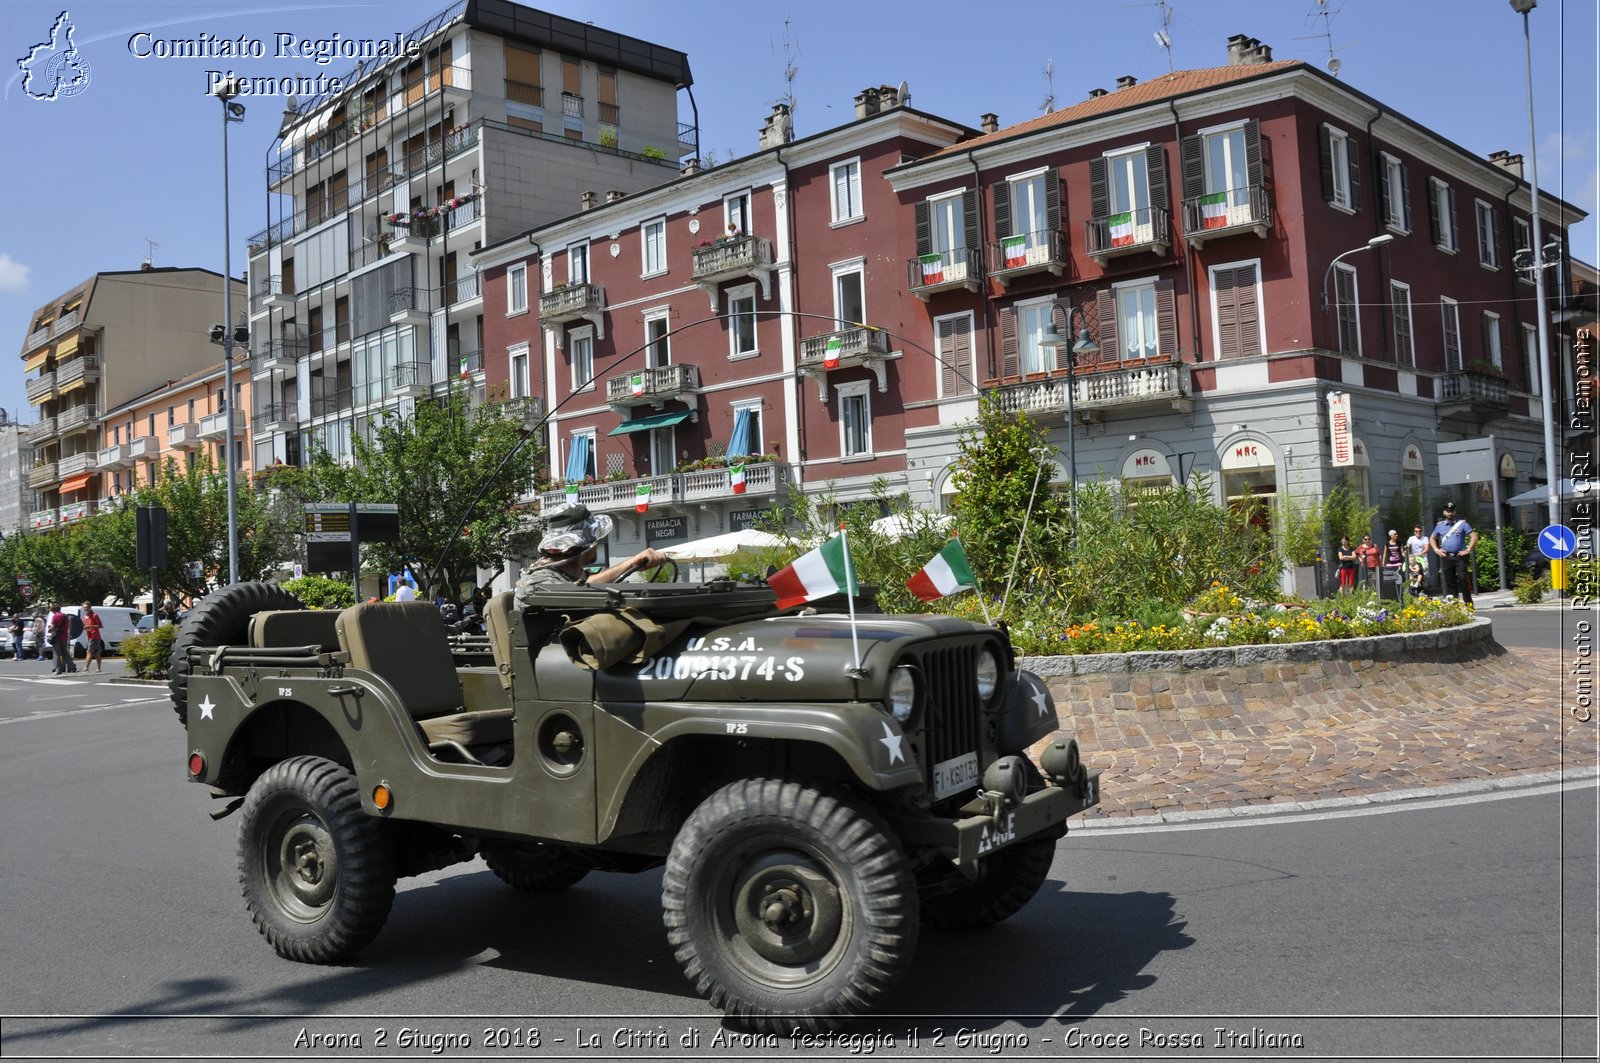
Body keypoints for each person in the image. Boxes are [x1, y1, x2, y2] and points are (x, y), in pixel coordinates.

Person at [513, 504, 668, 609]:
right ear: (588, 546)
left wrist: (633, 565)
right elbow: (570, 594)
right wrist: (631, 562)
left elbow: (582, 587)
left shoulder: (566, 577)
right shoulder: (537, 580)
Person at [1430, 501, 1478, 605]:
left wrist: (1468, 550)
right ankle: (1454, 604)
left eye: (1451, 511)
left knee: (1463, 579)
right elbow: (1432, 538)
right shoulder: (1440, 526)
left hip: (1459, 556)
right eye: (1448, 511)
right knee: (1450, 581)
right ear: (1444, 513)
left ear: (1454, 512)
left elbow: (1474, 537)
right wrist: (1436, 550)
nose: (1450, 513)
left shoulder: (1462, 524)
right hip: (1447, 556)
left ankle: (1468, 604)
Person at [47, 604, 77, 675]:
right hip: (64, 636)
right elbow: (68, 625)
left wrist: (49, 629)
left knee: (56, 654)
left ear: (53, 609)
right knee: (65, 653)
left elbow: (52, 626)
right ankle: (72, 667)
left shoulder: (55, 616)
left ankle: (58, 669)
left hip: (57, 637)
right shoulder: (65, 615)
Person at [1381, 529, 1406, 600]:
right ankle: (1392, 593)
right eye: (1395, 534)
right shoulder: (1387, 544)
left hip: (1398, 562)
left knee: (1399, 577)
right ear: (1391, 536)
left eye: (1397, 534)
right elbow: (1385, 553)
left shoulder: (1399, 543)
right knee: (1391, 577)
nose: (1396, 535)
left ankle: (1401, 592)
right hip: (1389, 563)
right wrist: (1383, 562)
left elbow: (1402, 552)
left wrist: (1407, 557)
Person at [82, 602, 104, 673]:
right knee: (96, 652)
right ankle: (99, 668)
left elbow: (100, 625)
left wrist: (90, 626)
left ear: (90, 607)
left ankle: (86, 667)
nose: (86, 609)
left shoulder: (94, 615)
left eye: (87, 607)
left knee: (89, 651)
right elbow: (84, 626)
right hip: (89, 636)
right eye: (84, 607)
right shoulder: (84, 616)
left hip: (94, 636)